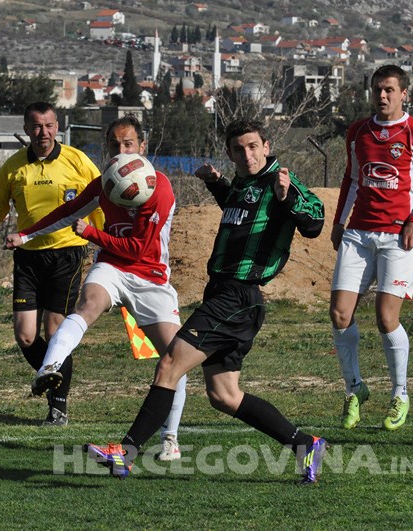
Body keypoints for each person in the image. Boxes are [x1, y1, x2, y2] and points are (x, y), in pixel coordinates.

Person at [84, 118, 329, 484]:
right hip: (225, 295)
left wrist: (288, 196)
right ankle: (304, 444)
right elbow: (239, 210)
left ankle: (126, 452)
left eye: (252, 146)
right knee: (224, 395)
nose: (246, 155)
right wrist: (216, 183)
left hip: (238, 295)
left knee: (169, 365)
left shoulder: (281, 182)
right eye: (238, 149)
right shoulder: (245, 185)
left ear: (266, 145)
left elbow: (315, 222)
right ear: (230, 153)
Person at [6, 116, 188, 461]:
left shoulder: (159, 187)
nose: (121, 151)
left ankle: (170, 438)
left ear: (142, 148)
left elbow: (140, 250)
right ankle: (50, 367)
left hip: (150, 276)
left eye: (128, 144)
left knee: (175, 355)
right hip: (112, 267)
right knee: (87, 305)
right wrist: (26, 235)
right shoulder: (107, 182)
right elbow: (70, 209)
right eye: (115, 146)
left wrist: (90, 233)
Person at [0, 101, 103, 427]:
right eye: (37, 126)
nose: (44, 132)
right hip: (28, 259)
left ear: (58, 127)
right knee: (26, 336)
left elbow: (101, 201)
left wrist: (107, 242)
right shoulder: (13, 168)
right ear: (26, 129)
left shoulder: (78, 161)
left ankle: (58, 406)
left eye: (50, 125)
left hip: (67, 254)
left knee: (55, 331)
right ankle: (49, 376)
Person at [330, 65, 413, 431]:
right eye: (377, 90)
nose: (382, 96)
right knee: (339, 314)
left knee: (386, 319)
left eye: (389, 90)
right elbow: (351, 178)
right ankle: (355, 390)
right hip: (358, 234)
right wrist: (339, 221)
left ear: (403, 94)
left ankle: (400, 393)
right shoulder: (358, 132)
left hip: (398, 238)